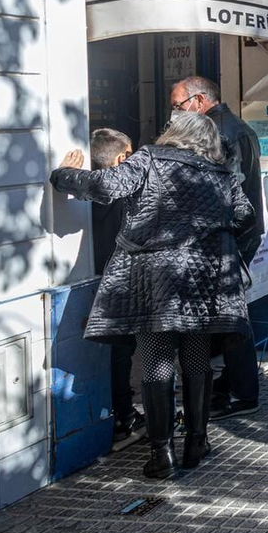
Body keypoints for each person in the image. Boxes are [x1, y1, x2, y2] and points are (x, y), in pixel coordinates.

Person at [51, 111, 253, 479]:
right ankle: (197, 441)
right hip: (204, 280)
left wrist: (62, 175)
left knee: (157, 359)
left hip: (153, 277)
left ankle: (162, 454)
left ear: (174, 133)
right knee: (195, 358)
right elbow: (244, 215)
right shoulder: (221, 173)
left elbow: (105, 186)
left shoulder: (149, 158)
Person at [169, 75, 265, 420]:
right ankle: (233, 384)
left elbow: (227, 194)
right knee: (227, 315)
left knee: (230, 316)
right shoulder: (235, 125)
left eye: (178, 105)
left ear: (198, 100)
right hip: (238, 235)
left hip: (228, 238)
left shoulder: (219, 132)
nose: (175, 113)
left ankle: (243, 392)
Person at [87, 128, 144, 451]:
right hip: (122, 279)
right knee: (123, 351)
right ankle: (124, 414)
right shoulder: (124, 190)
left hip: (94, 274)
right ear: (121, 158)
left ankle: (120, 413)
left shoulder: (86, 187)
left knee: (116, 352)